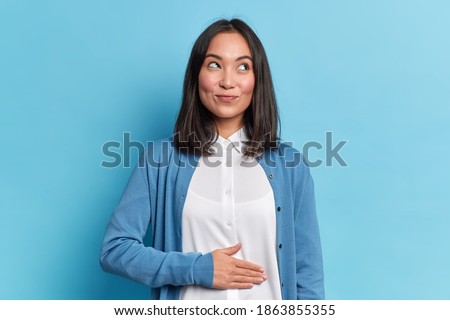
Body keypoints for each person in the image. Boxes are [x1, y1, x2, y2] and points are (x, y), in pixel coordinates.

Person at [100, 18, 324, 300]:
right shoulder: (159, 161)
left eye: (243, 67)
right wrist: (198, 268)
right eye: (214, 65)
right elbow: (115, 250)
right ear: (196, 75)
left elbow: (308, 276)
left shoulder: (290, 166)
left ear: (257, 79)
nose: (228, 81)